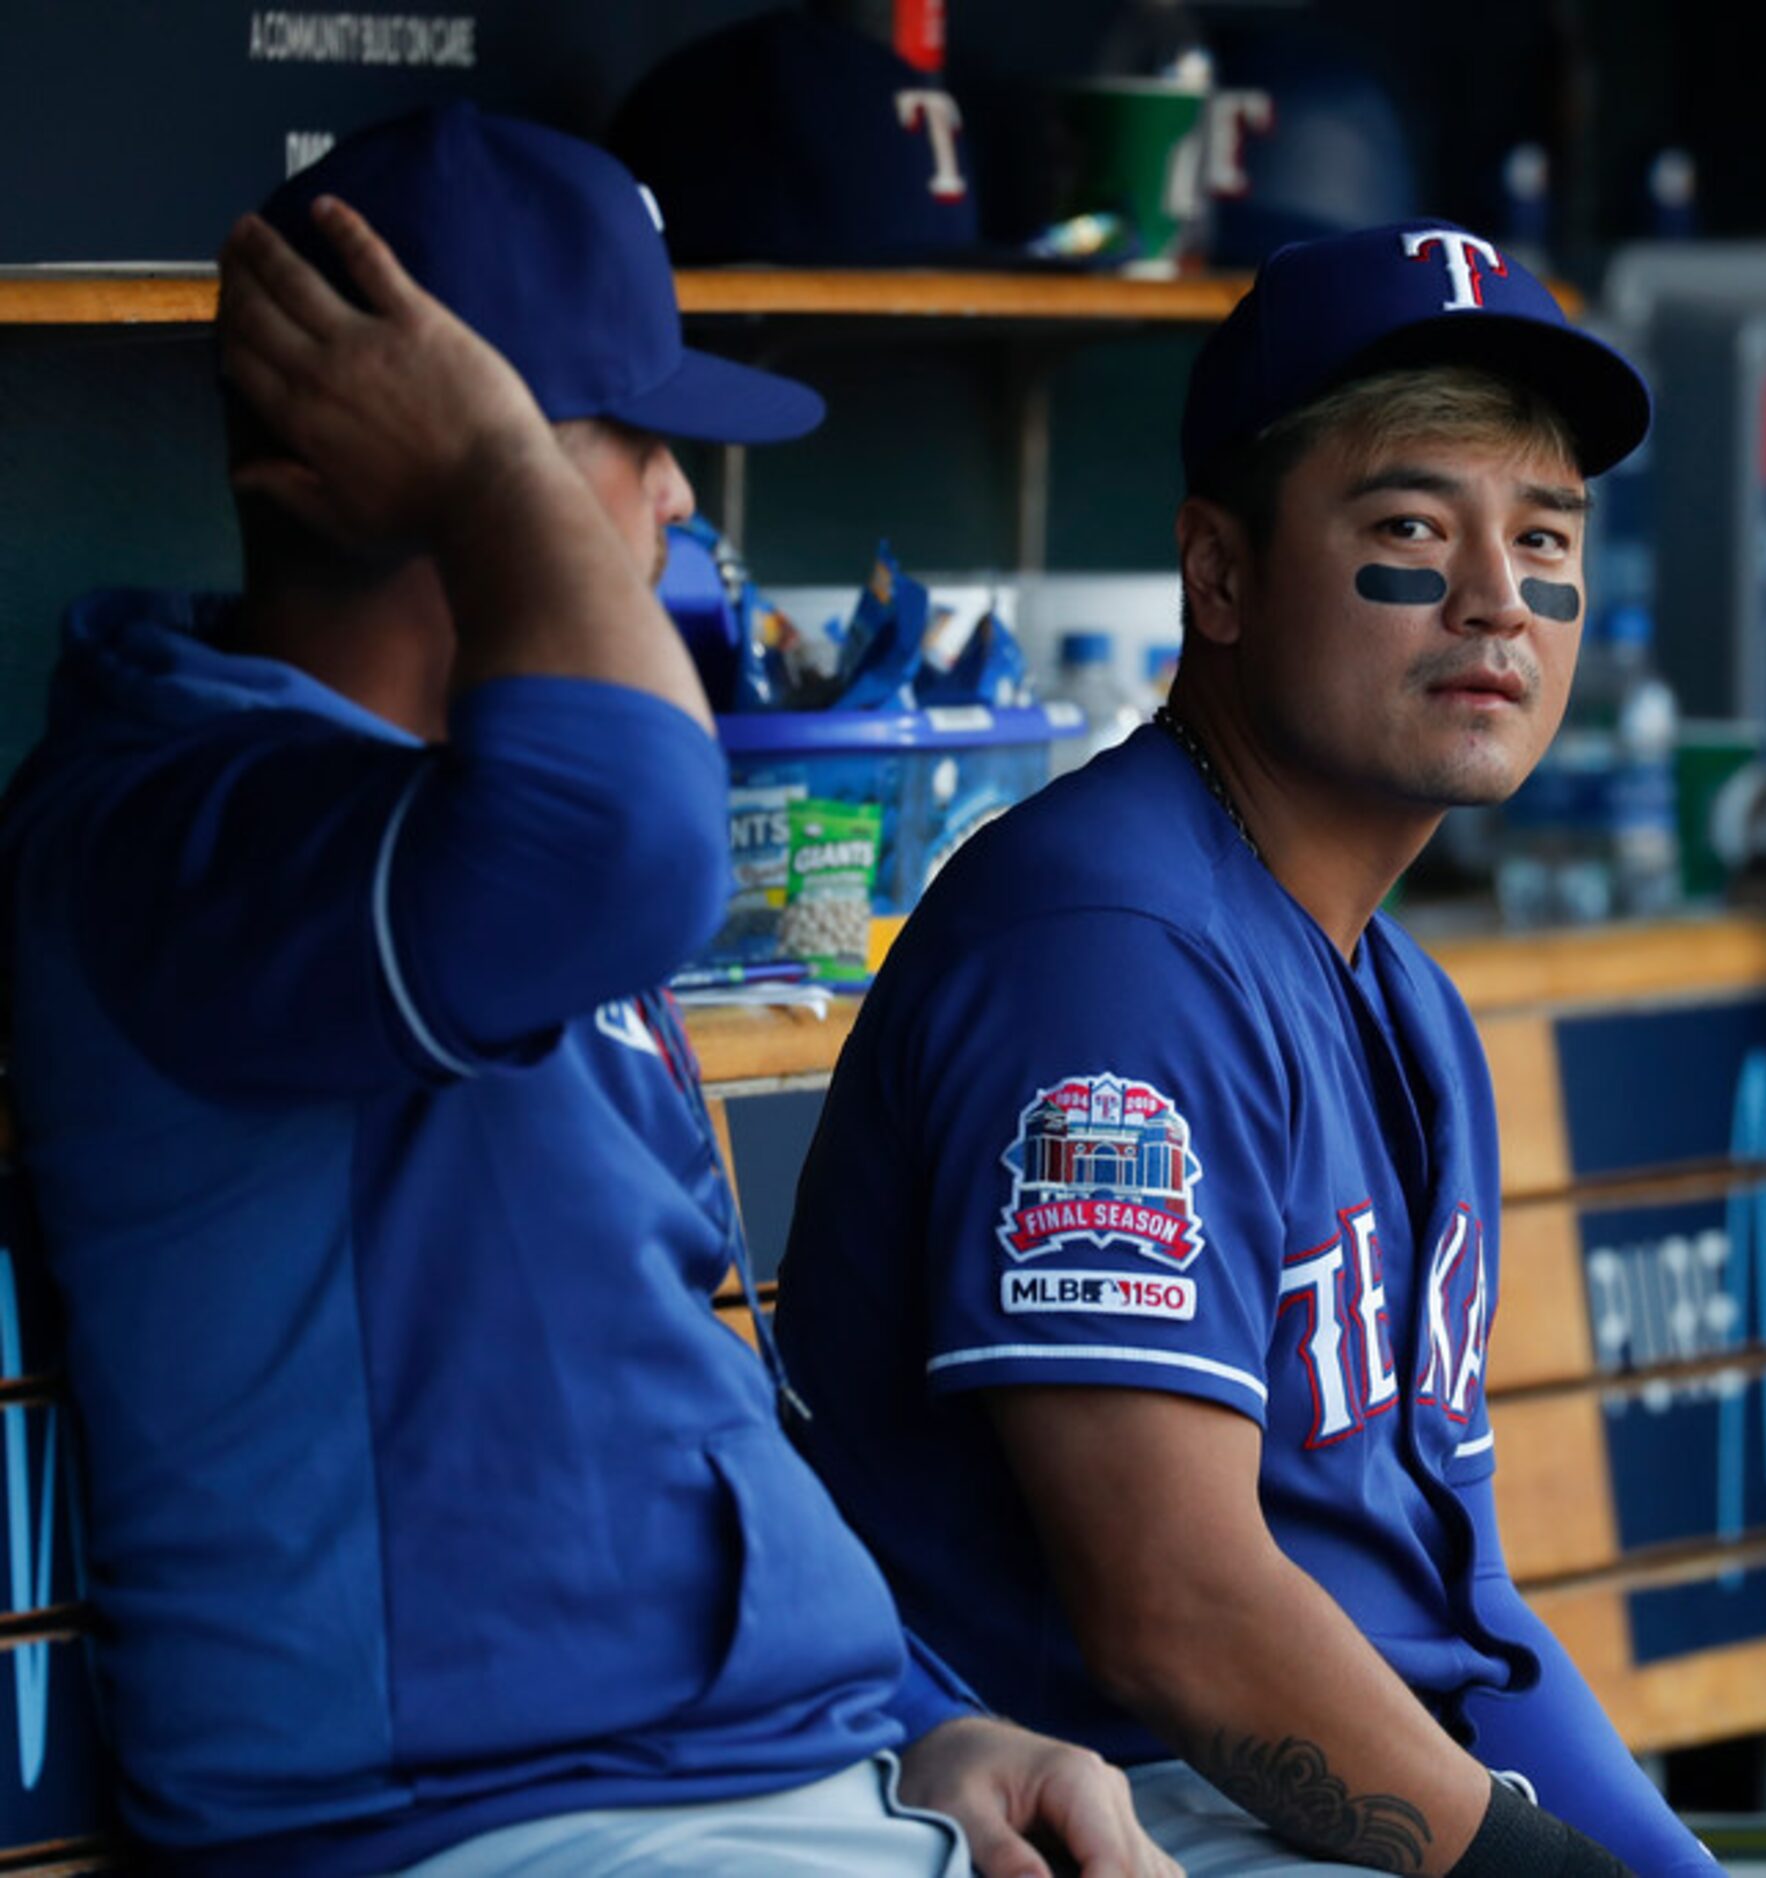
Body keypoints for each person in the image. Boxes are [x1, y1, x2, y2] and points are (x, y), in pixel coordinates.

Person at [0, 104, 1169, 1878]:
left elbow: (671, 1398)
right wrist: (493, 474)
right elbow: (629, 843)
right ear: (415, 454)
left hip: (753, 1797)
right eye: (628, 439)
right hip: (483, 1833)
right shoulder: (185, 836)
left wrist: (927, 1717)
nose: (679, 497)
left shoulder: (450, 812)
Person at [775, 222, 1715, 1877]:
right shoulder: (1109, 951)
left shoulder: (1397, 998)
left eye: (1545, 533)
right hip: (1093, 1810)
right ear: (1216, 573)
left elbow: (1461, 1616)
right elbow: (1174, 1610)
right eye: (1414, 526)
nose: (1500, 597)